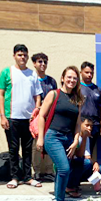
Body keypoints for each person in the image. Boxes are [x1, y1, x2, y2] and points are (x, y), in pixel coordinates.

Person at [36, 66, 84, 201]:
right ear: (62, 78)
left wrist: (76, 140)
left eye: (75, 78)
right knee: (64, 168)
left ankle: (58, 199)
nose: (71, 80)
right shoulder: (54, 94)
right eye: (69, 77)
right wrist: (40, 138)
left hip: (68, 139)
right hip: (53, 136)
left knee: (61, 171)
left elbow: (77, 123)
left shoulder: (78, 99)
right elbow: (42, 116)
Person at [0, 44, 43, 189]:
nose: (22, 57)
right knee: (13, 149)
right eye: (19, 54)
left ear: (27, 57)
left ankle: (28, 177)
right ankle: (15, 177)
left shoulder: (33, 74)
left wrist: (36, 111)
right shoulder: (7, 72)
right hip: (12, 117)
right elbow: (0, 94)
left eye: (24, 55)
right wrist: (2, 116)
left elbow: (37, 96)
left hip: (28, 119)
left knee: (28, 149)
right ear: (14, 56)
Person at [31, 52, 57, 182]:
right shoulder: (31, 78)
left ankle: (48, 171)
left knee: (49, 143)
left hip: (50, 118)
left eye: (45, 62)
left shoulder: (51, 81)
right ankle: (37, 171)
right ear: (34, 63)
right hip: (35, 118)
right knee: (37, 144)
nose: (43, 64)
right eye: (40, 61)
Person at [66, 117, 101, 198]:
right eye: (87, 125)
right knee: (85, 163)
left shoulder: (86, 137)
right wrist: (85, 138)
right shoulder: (76, 136)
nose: (89, 128)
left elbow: (88, 156)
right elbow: (79, 155)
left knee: (100, 169)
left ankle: (96, 188)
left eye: (91, 126)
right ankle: (69, 186)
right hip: (69, 167)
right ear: (80, 125)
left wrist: (95, 163)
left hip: (77, 166)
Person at [79, 61, 101, 157]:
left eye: (91, 73)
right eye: (87, 72)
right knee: (82, 150)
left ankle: (91, 170)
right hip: (82, 122)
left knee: (92, 151)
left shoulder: (97, 89)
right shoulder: (77, 88)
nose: (89, 75)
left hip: (95, 124)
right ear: (81, 72)